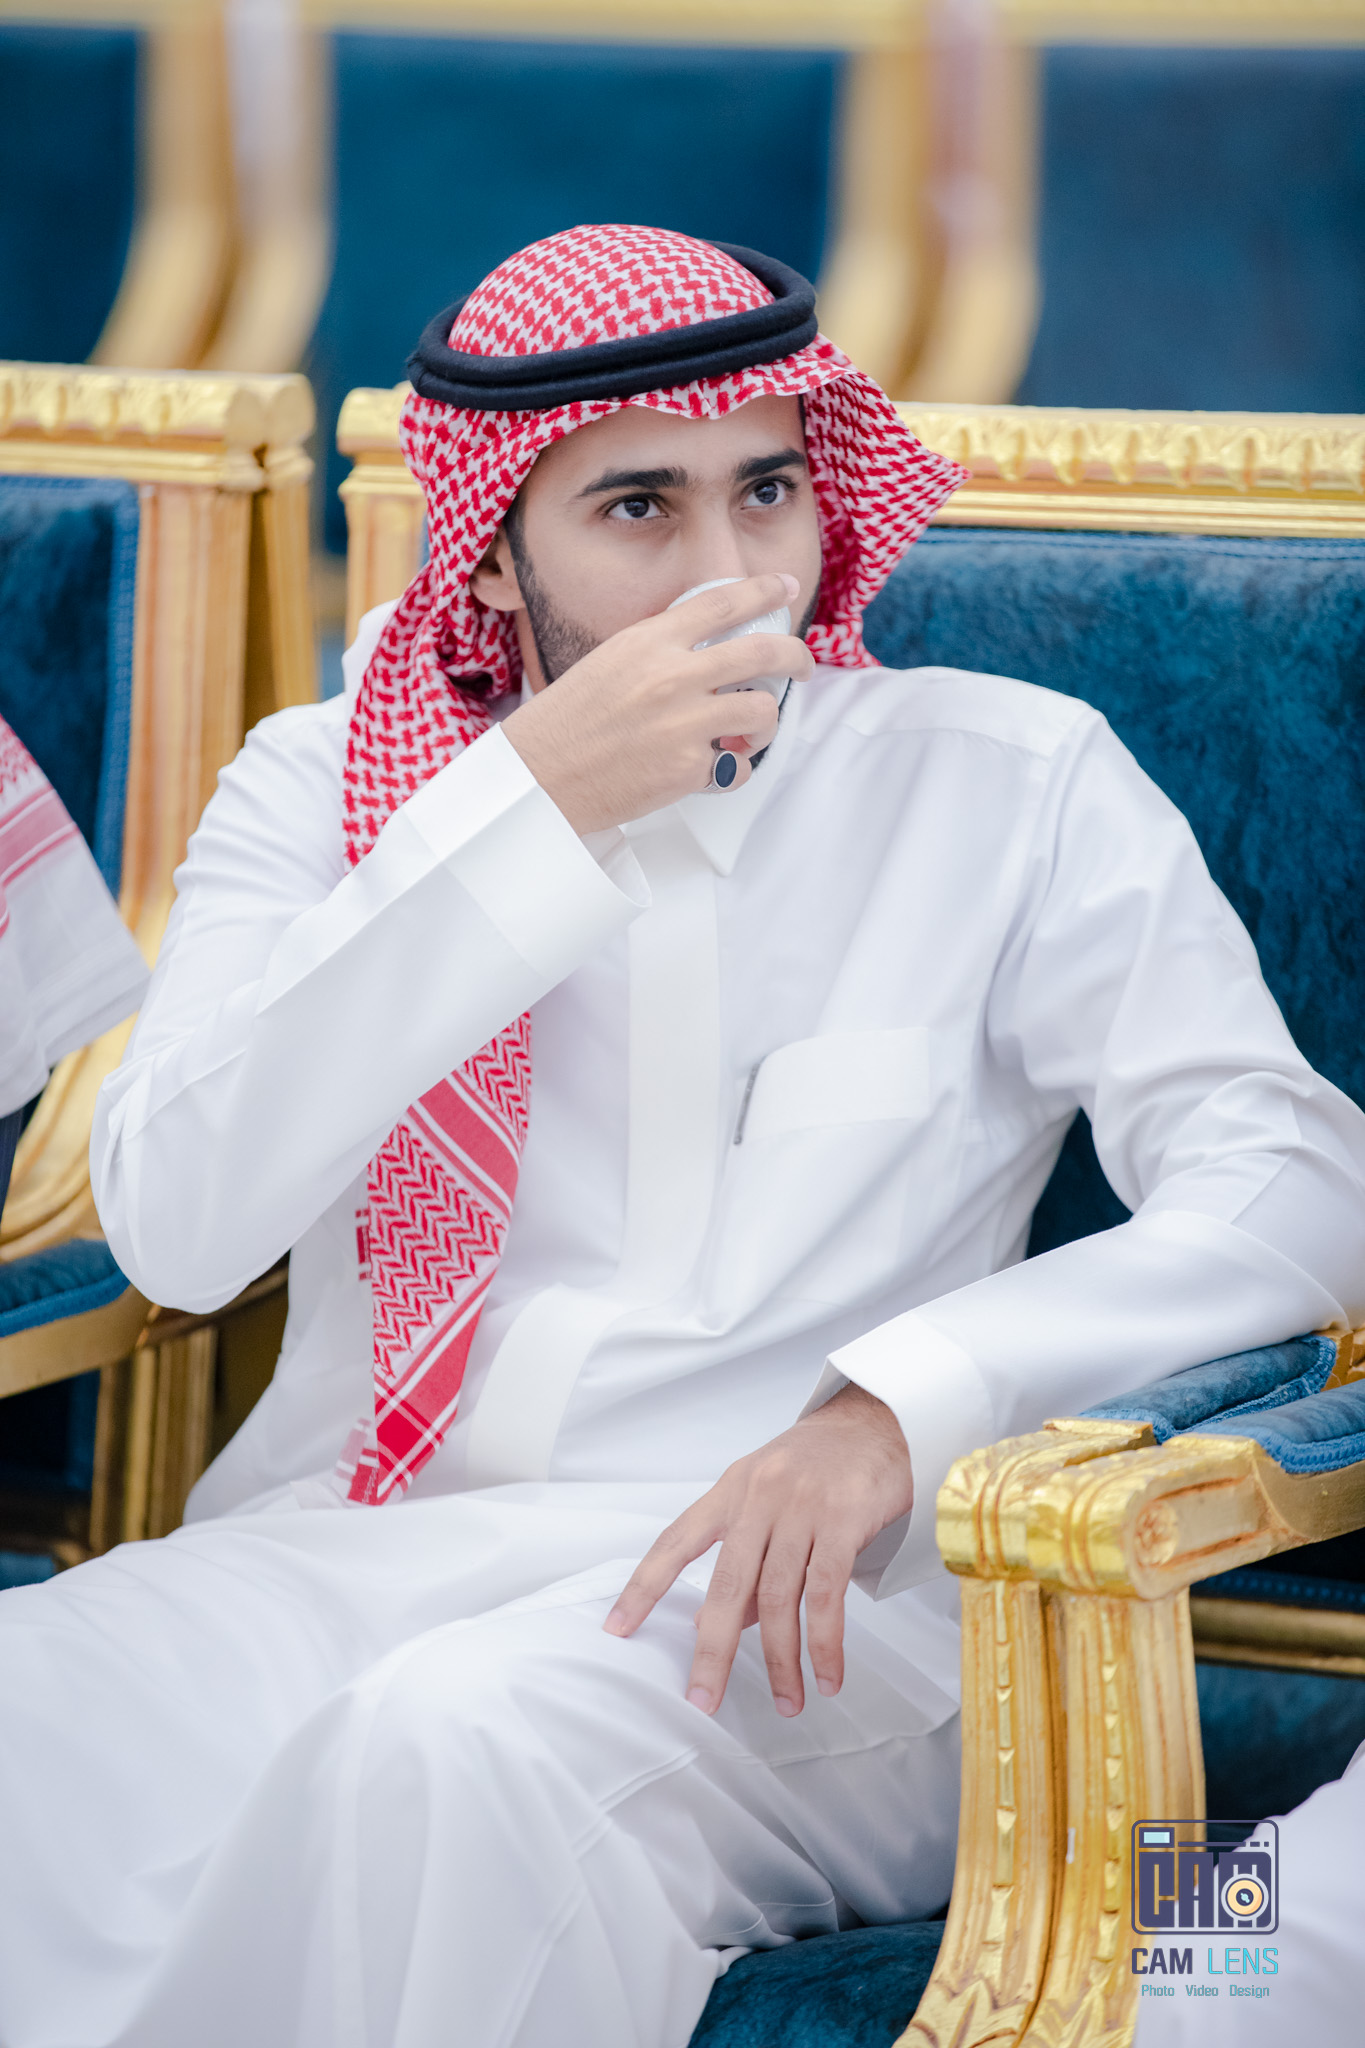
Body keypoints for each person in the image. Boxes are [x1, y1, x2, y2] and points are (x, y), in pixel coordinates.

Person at [1, 223, 1362, 2048]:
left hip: (815, 1619)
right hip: (361, 1550)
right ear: (493, 555)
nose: (732, 577)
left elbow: (1295, 1181)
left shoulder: (1005, 781)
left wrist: (901, 1406)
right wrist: (522, 818)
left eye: (767, 492)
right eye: (638, 509)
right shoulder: (324, 790)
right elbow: (179, 1227)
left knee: (455, 1748)